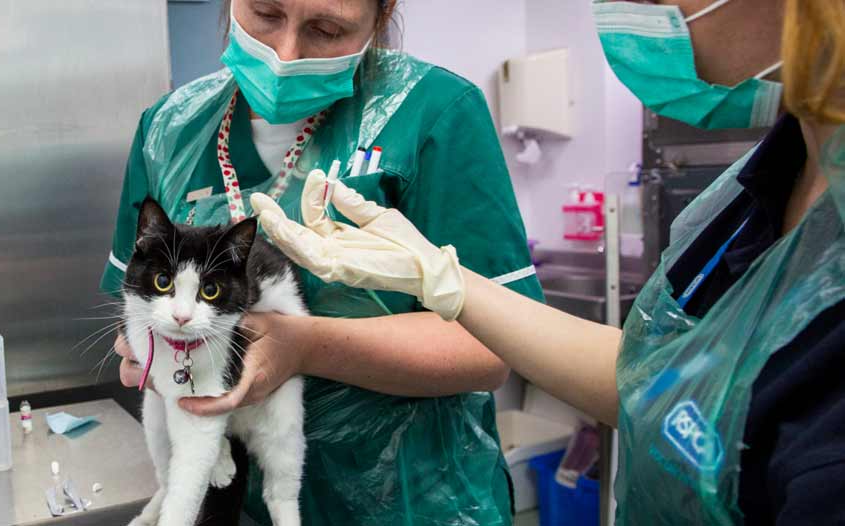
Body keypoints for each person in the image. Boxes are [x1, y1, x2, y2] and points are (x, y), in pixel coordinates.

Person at [254, 0, 845, 523]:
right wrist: (443, 279)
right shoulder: (773, 179)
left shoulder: (440, 107)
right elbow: (652, 380)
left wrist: (305, 344)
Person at [100, 0, 543, 524]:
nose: (285, 54)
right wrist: (147, 355)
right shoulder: (168, 129)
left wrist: (303, 347)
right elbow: (133, 306)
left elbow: (495, 349)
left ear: (380, 16)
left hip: (412, 503)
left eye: (326, 28)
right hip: (234, 505)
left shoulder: (435, 114)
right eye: (265, 14)